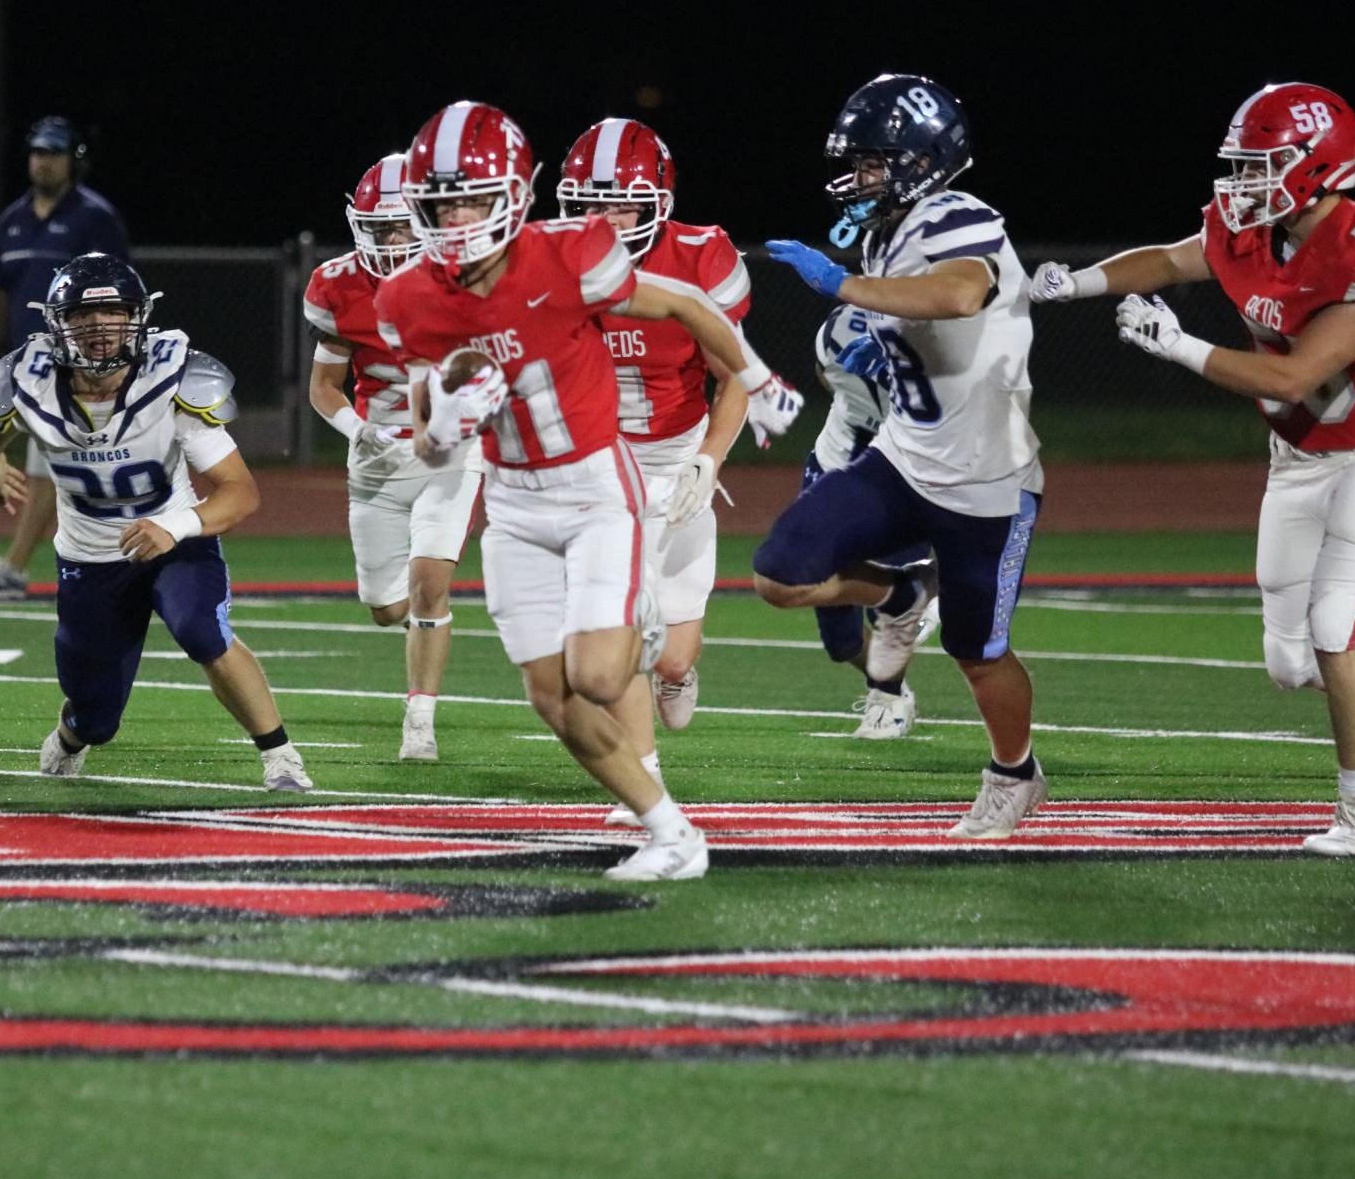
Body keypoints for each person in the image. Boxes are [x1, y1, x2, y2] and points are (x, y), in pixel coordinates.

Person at [375, 100, 785, 881]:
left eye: (473, 197)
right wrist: (447, 427)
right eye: (441, 201)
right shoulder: (405, 297)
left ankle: (643, 623)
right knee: (555, 698)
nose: (457, 218)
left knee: (600, 675)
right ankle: (671, 835)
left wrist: (752, 390)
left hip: (601, 483)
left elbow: (684, 306)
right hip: (512, 502)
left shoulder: (570, 254)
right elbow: (430, 448)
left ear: (516, 195)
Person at [1028, 82, 1355, 857]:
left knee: (1334, 629)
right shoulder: (1247, 229)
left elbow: (1293, 378)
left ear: (1315, 167)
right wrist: (1080, 282)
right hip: (1295, 460)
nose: (1243, 184)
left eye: (1261, 166)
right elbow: (1168, 259)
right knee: (1290, 662)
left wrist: (1175, 346)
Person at [760, 73, 1044, 840]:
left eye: (873, 163)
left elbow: (957, 294)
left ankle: (1013, 773)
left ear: (920, 160)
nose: (858, 178)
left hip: (987, 477)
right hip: (902, 457)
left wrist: (840, 281)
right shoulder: (888, 229)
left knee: (977, 653)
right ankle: (897, 597)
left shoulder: (957, 215)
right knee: (781, 572)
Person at [0, 252, 311, 791]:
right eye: (84, 318)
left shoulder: (174, 381)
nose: (100, 329)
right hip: (89, 557)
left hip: (173, 539)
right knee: (97, 716)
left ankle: (280, 756)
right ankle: (72, 734)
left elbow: (241, 493)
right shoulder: (26, 378)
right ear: (58, 327)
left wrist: (174, 527)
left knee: (203, 630)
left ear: (138, 318)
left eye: (113, 314)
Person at [554, 117, 800, 824]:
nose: (604, 218)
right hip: (600, 461)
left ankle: (680, 669)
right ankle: (644, 779)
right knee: (620, 617)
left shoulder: (701, 255)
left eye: (621, 203)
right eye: (589, 203)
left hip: (677, 450)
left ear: (657, 198)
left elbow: (733, 376)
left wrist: (706, 459)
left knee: (668, 655)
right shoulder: (551, 258)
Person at [305, 152, 478, 760]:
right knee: (387, 608)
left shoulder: (467, 277)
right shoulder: (338, 285)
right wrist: (356, 428)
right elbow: (322, 387)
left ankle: (419, 722)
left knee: (431, 581)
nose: (393, 240)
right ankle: (428, 629)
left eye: (405, 225)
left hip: (451, 450)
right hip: (378, 453)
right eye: (382, 228)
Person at [0, 116, 130, 600]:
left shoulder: (95, 218)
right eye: (37, 151)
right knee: (64, 468)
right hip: (30, 365)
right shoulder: (14, 218)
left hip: (80, 367)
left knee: (55, 465)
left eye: (54, 153)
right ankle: (102, 563)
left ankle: (17, 569)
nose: (43, 161)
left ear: (73, 161)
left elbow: (118, 292)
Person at [805, 303, 938, 738]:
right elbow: (827, 374)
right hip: (834, 469)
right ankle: (916, 596)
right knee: (839, 639)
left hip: (905, 480)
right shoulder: (840, 326)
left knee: (891, 600)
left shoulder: (948, 334)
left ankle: (889, 693)